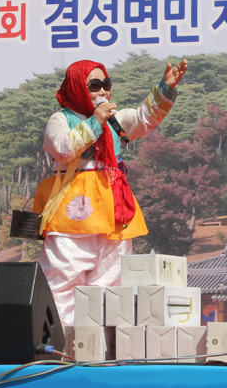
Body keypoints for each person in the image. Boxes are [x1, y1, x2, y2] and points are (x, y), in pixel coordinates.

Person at [32, 58, 188, 325]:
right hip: (72, 212)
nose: (103, 91)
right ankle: (61, 340)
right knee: (63, 278)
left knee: (111, 280)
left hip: (113, 207)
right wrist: (95, 122)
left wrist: (166, 88)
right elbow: (63, 148)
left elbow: (143, 117)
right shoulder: (60, 119)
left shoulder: (114, 119)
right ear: (77, 88)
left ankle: (101, 341)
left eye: (106, 84)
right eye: (95, 85)